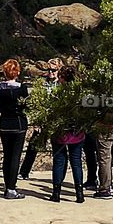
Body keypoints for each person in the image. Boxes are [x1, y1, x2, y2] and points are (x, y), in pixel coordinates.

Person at [19, 58, 62, 180]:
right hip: (42, 118)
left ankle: (58, 176)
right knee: (33, 145)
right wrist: (36, 121)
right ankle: (24, 172)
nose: (51, 72)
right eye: (49, 70)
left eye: (53, 70)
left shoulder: (62, 84)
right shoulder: (42, 83)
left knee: (57, 149)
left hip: (56, 120)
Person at [0, 59, 29, 200]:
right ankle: (11, 188)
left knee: (7, 156)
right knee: (15, 157)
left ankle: (8, 185)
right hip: (19, 124)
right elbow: (26, 105)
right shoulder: (22, 88)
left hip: (5, 124)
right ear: (17, 72)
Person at [50, 65, 86, 204]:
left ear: (63, 78)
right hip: (77, 132)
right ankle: (79, 193)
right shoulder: (80, 94)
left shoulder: (58, 93)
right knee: (76, 162)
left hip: (61, 132)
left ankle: (56, 193)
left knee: (59, 162)